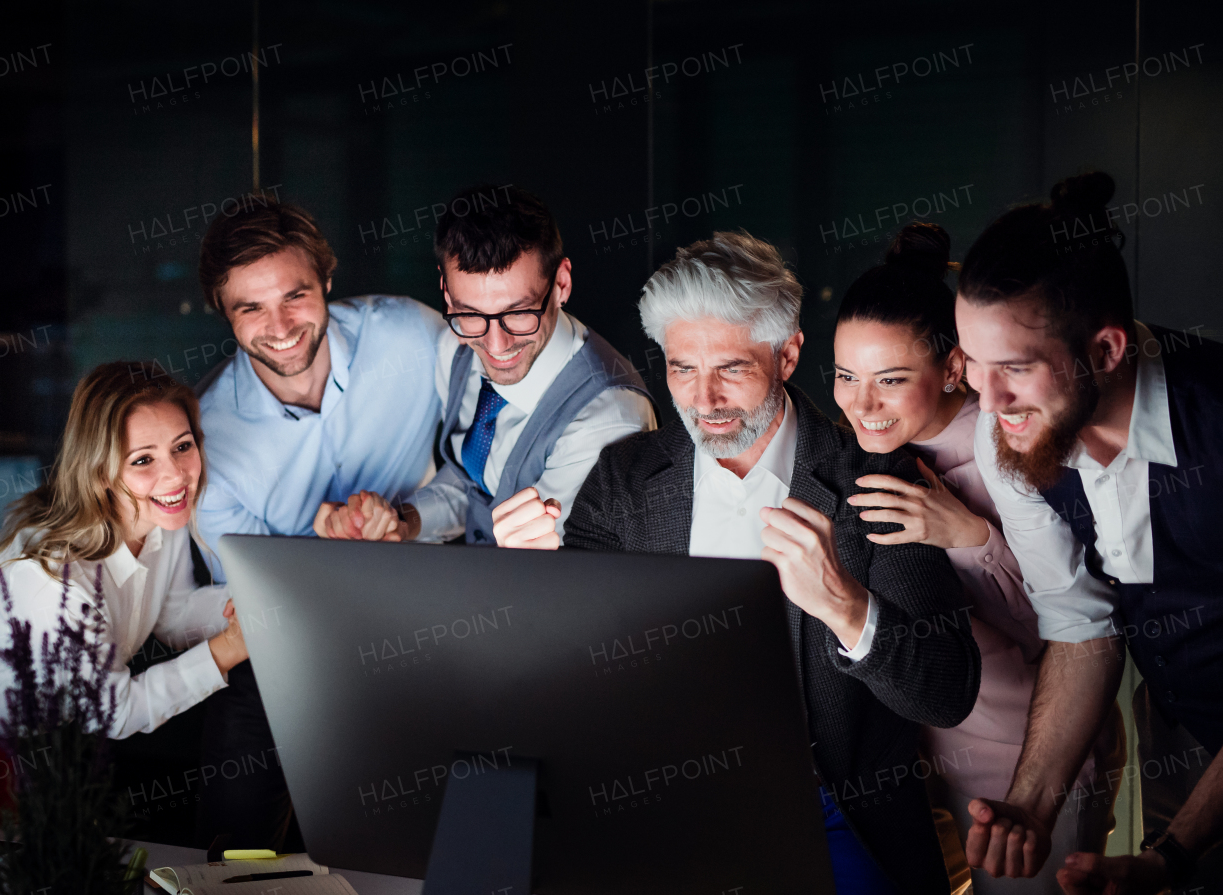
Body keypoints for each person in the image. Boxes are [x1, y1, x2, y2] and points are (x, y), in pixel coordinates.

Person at [493, 231, 981, 894]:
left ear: (787, 354)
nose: (703, 399)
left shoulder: (872, 480)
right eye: (681, 368)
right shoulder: (625, 478)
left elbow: (947, 691)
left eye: (730, 368)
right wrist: (534, 582)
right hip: (663, 799)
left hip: (828, 809)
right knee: (487, 851)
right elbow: (573, 672)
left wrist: (844, 604)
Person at [832, 221, 1124, 893]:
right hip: (914, 751)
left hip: (1025, 754)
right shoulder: (864, 453)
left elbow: (1076, 622)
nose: (861, 402)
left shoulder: (1016, 441)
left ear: (954, 367)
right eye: (846, 374)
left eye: (891, 378)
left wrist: (969, 535)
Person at [956, 171, 1223, 894]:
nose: (987, 401)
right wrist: (1031, 806)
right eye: (972, 366)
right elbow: (1082, 625)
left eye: (1014, 369)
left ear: (1105, 351)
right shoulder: (1010, 429)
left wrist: (1174, 854)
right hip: (1183, 732)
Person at [193, 196, 443, 850]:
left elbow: (491, 449)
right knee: (236, 854)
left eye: (296, 295)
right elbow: (243, 597)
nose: (279, 325)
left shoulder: (413, 337)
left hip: (424, 626)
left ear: (327, 279)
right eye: (250, 307)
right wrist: (319, 544)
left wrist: (410, 519)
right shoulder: (207, 446)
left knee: (413, 849)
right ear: (225, 313)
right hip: (282, 655)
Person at [314, 184, 656, 545]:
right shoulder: (455, 345)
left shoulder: (608, 420)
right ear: (447, 293)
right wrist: (405, 522)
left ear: (561, 284)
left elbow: (560, 570)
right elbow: (475, 482)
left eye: (519, 313)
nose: (496, 345)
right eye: (472, 314)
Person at [0, 362, 247, 740]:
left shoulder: (158, 512)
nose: (176, 476)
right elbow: (113, 714)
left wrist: (253, 603)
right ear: (100, 470)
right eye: (142, 459)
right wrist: (231, 647)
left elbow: (175, 613)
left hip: (53, 735)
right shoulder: (47, 578)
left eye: (182, 447)